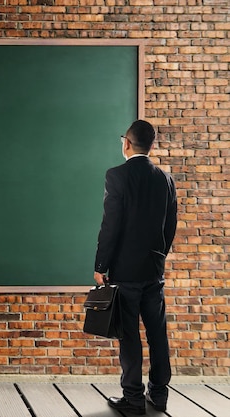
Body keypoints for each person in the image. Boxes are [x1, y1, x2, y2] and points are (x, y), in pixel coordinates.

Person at [94, 120, 178, 415]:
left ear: (126, 144)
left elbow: (111, 225)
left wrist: (101, 264)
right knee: (157, 334)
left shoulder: (116, 175)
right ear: (151, 145)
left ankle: (133, 398)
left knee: (129, 334)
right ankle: (160, 395)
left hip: (125, 271)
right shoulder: (165, 179)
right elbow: (170, 226)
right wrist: (159, 256)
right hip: (154, 271)